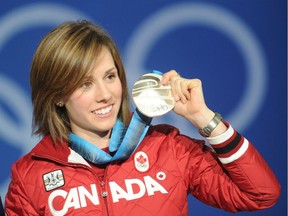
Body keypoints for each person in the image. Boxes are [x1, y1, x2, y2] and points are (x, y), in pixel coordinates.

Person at [5, 20, 280, 216]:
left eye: (110, 77)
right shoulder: (31, 176)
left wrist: (203, 117)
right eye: (84, 84)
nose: (105, 95)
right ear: (57, 95)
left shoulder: (167, 147)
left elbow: (260, 195)